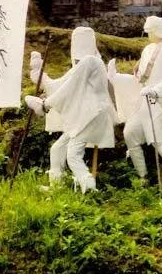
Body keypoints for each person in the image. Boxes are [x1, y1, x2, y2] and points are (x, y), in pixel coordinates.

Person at [24, 27, 116, 193]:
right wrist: (39, 74)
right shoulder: (84, 65)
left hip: (92, 116)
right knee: (57, 149)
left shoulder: (91, 62)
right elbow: (60, 85)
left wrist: (46, 104)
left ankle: (89, 188)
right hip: (85, 116)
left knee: (73, 155)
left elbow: (69, 87)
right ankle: (56, 187)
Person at [109, 16, 162, 186]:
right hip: (144, 102)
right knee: (130, 133)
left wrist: (157, 90)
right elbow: (140, 80)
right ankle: (143, 178)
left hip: (161, 101)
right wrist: (117, 77)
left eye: (150, 31)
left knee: (159, 140)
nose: (148, 35)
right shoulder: (147, 50)